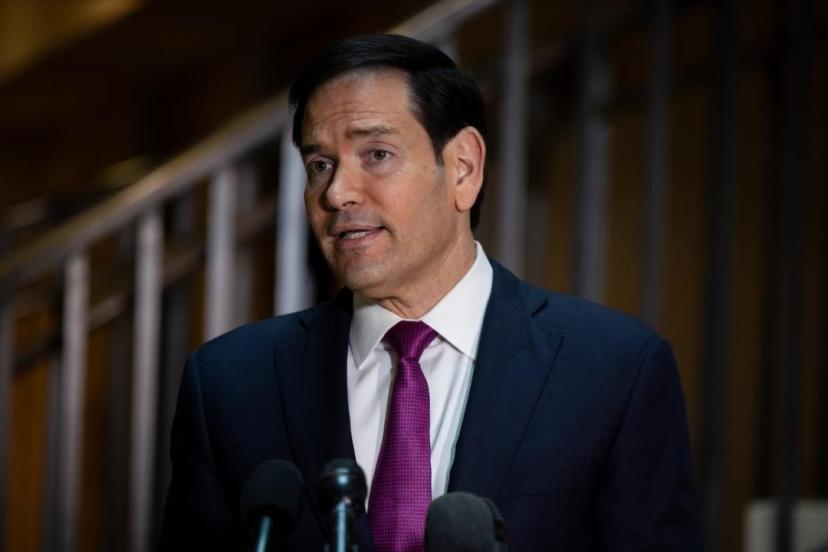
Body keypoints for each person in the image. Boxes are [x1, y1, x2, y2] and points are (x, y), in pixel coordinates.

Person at [159, 34, 703, 551]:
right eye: (320, 165)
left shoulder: (615, 370)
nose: (337, 192)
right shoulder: (231, 383)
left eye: (376, 154)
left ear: (463, 168)